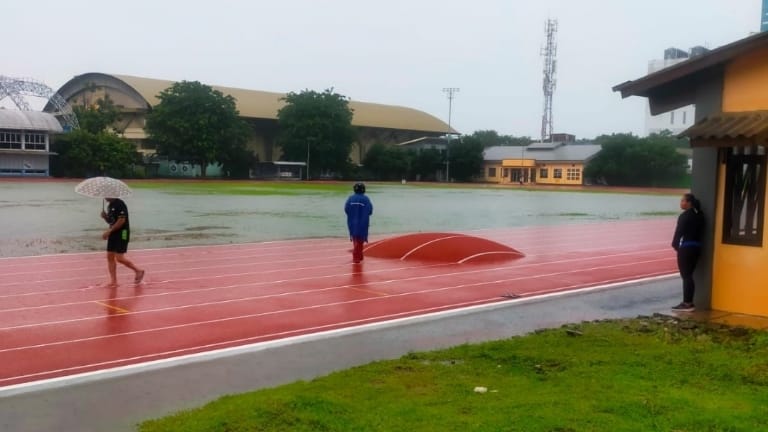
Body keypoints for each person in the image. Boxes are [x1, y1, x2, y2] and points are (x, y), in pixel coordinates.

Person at [671, 193, 704, 312]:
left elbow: (679, 232)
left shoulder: (684, 216)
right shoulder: (699, 215)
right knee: (689, 275)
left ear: (689, 203)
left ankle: (687, 303)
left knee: (686, 276)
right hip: (697, 247)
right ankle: (689, 302)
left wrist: (675, 244)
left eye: (683, 201)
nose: (681, 203)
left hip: (686, 248)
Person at [101, 197, 144, 286]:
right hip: (113, 232)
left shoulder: (120, 204)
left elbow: (121, 221)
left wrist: (109, 231)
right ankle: (114, 281)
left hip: (122, 233)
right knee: (110, 256)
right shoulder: (110, 206)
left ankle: (138, 270)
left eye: (106, 195)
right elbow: (112, 221)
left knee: (119, 258)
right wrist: (105, 217)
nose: (105, 197)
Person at [344, 182, 373, 263]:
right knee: (360, 240)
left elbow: (346, 209)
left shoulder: (350, 198)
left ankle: (359, 255)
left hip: (352, 222)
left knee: (355, 239)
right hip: (362, 222)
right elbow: (370, 211)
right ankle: (356, 257)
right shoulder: (366, 199)